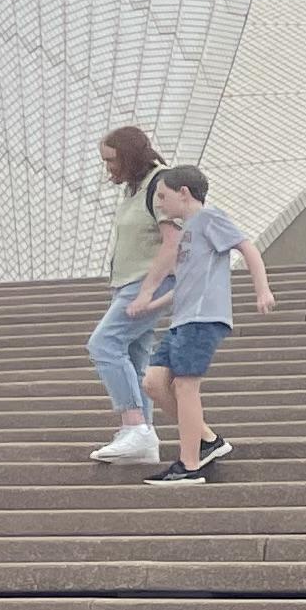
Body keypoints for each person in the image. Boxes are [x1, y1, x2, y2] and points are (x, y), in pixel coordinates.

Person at [129, 164, 274, 483]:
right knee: (153, 383)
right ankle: (208, 441)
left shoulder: (210, 218)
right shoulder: (187, 234)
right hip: (183, 318)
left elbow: (247, 247)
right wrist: (150, 304)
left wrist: (261, 289)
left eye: (163, 196)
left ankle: (190, 465)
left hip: (203, 317)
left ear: (184, 193)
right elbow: (186, 283)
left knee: (185, 386)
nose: (160, 205)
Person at [86, 124, 178, 465]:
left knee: (103, 343)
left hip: (145, 283)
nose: (108, 167)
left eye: (112, 160)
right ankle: (144, 439)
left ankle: (135, 425)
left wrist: (148, 292)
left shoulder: (161, 184)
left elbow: (173, 244)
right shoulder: (136, 189)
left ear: (129, 156)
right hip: (128, 284)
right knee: (136, 357)